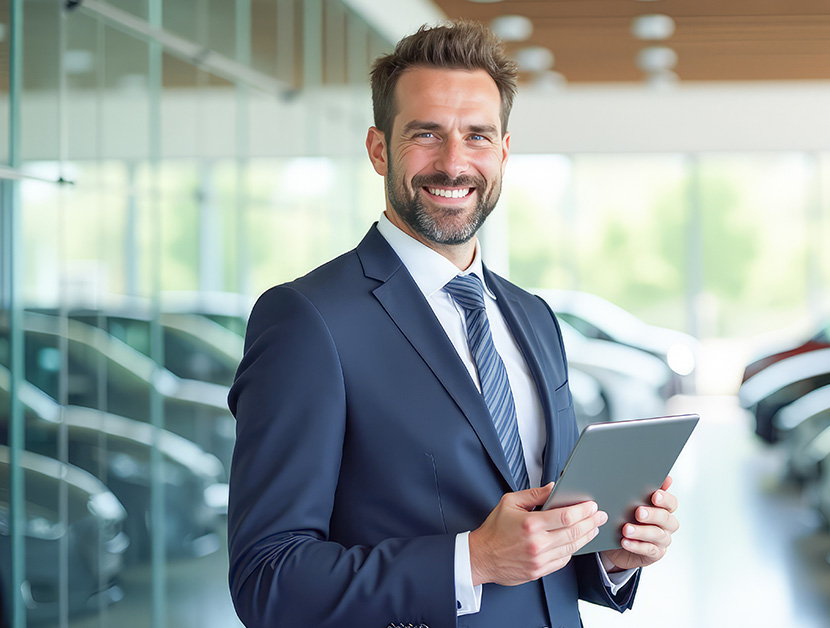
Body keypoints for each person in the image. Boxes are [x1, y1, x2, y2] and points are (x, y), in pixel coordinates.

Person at [226, 20, 681, 628]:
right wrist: (471, 559)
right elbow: (268, 579)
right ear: (378, 148)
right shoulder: (309, 321)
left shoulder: (533, 317)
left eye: (477, 136)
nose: (453, 163)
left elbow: (542, 535)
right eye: (426, 134)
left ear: (503, 152)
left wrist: (614, 556)